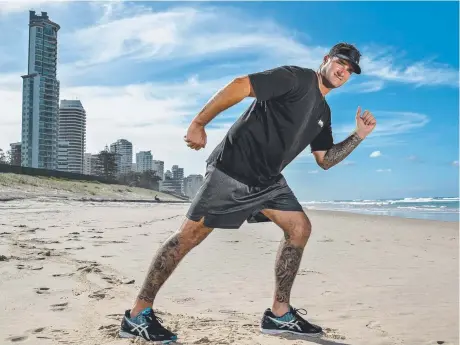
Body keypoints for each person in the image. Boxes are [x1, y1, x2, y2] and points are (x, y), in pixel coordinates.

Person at [118, 42, 376, 343]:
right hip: (233, 169)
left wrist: (358, 135)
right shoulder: (296, 78)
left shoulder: (323, 111)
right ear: (326, 60)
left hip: (267, 181)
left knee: (299, 228)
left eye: (349, 69)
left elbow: (325, 160)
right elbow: (241, 85)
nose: (343, 71)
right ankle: (137, 315)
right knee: (189, 237)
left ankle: (279, 315)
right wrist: (199, 122)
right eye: (339, 63)